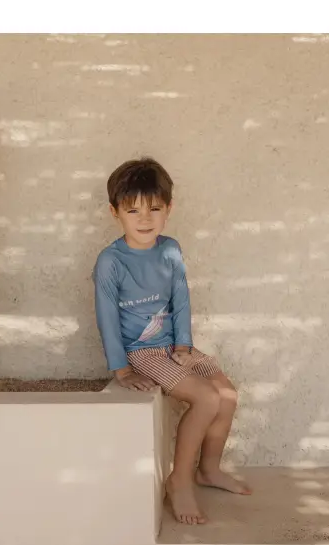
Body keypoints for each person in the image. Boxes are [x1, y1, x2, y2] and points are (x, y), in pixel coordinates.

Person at [92, 157, 251, 525]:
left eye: (154, 209)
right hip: (143, 351)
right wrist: (121, 369)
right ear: (115, 212)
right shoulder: (111, 261)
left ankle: (208, 469)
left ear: (169, 209)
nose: (144, 219)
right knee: (206, 398)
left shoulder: (170, 250)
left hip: (174, 346)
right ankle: (179, 481)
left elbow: (180, 298)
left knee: (227, 395)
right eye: (133, 210)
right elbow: (106, 317)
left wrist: (183, 345)